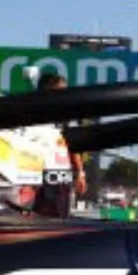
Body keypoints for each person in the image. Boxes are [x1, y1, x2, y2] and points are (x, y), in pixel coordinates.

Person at [32, 71, 89, 216]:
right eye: (59, 91)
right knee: (35, 216)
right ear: (46, 91)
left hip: (60, 175)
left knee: (59, 217)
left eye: (64, 91)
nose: (63, 95)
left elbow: (74, 145)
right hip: (35, 174)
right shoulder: (31, 113)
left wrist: (80, 174)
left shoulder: (66, 116)